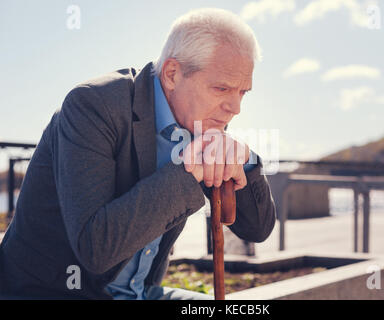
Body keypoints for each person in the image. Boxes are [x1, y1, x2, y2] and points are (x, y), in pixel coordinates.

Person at [0, 8, 276, 300]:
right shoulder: (92, 105)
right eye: (222, 88)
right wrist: (188, 170)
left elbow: (257, 230)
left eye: (243, 92)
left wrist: (244, 163)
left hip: (139, 293)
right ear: (172, 74)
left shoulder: (198, 122)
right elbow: (96, 248)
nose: (235, 107)